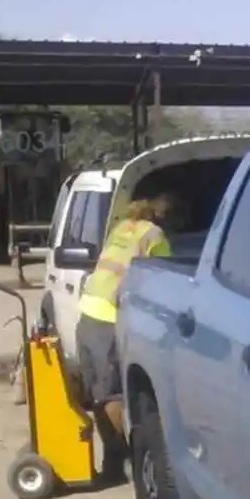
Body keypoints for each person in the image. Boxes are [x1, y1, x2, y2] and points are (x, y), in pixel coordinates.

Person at [74, 192, 182, 465]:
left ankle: (112, 458)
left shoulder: (121, 228)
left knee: (99, 391)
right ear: (161, 215)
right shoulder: (154, 235)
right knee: (114, 394)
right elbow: (169, 275)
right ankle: (125, 461)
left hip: (89, 311)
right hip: (110, 316)